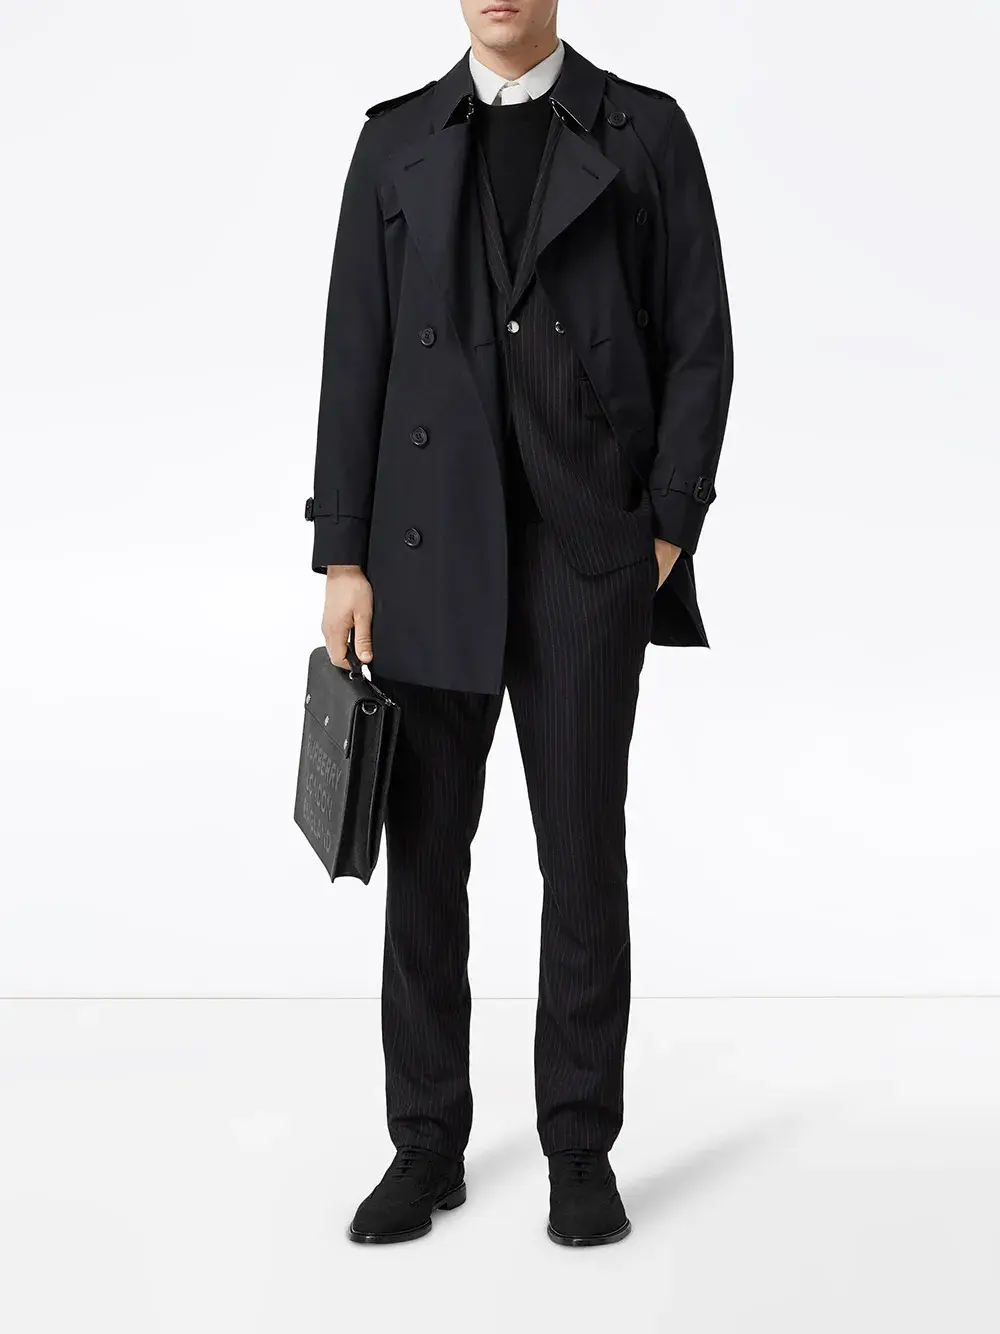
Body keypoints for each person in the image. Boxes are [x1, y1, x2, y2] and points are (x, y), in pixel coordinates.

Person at [305, 0, 733, 1247]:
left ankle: (579, 1148)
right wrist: (342, 553)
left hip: (584, 557)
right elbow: (353, 352)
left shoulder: (644, 132)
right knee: (426, 862)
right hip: (425, 554)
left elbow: (700, 339)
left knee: (583, 859)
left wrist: (666, 526)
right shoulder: (393, 142)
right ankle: (424, 1142)